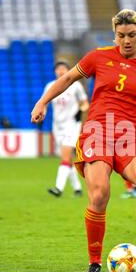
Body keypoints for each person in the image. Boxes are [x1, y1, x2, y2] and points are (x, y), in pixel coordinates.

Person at [31, 9, 136, 272]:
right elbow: (66, 79)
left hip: (129, 136)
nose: (126, 40)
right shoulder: (99, 56)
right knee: (99, 195)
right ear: (115, 35)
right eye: (121, 35)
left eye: (131, 35)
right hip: (97, 133)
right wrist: (42, 102)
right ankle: (95, 262)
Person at [45, 61, 90, 198]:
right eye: (58, 69)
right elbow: (44, 102)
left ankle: (59, 188)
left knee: (65, 155)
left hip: (71, 125)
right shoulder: (50, 86)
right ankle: (77, 189)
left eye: (63, 69)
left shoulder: (75, 86)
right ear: (55, 72)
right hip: (57, 126)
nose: (60, 71)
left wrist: (80, 111)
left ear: (68, 70)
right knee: (67, 158)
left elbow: (84, 103)